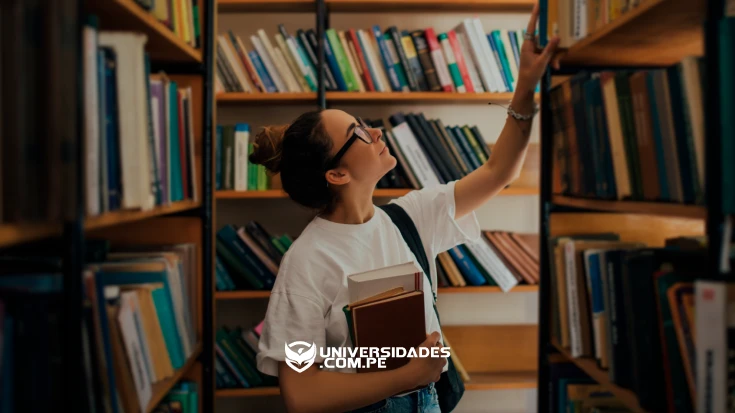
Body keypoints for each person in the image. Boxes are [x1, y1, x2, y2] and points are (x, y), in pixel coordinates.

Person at [251, 5, 560, 413]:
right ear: (338, 175)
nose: (375, 130)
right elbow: (301, 393)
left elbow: (499, 171)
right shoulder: (306, 261)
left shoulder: (410, 216)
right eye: (358, 132)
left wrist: (525, 86)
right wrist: (408, 374)